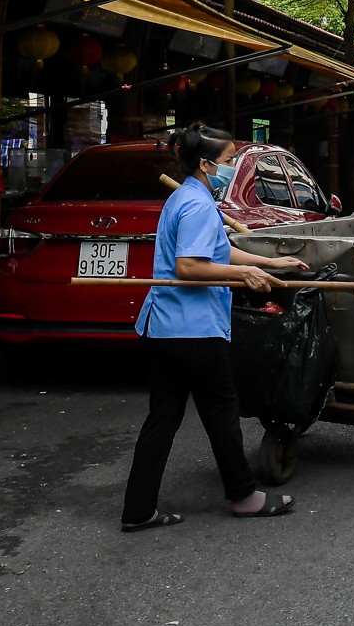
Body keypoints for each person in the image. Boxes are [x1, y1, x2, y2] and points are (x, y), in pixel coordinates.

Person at [120, 123, 310, 531]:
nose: (230, 167)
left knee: (163, 418)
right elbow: (190, 266)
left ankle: (139, 509)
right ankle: (244, 496)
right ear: (206, 164)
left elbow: (218, 251)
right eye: (227, 161)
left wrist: (269, 263)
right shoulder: (198, 205)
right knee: (222, 411)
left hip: (162, 328)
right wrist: (244, 279)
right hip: (192, 331)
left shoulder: (185, 196)